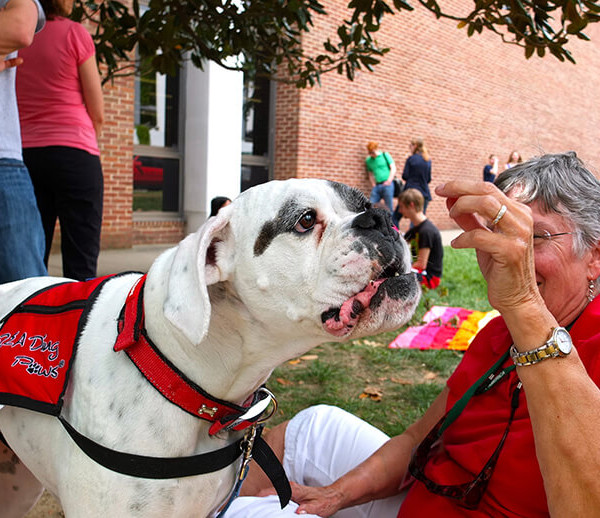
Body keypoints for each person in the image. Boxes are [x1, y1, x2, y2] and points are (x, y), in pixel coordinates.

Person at [223, 151, 600, 517]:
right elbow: (416, 440)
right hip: (429, 499)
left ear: (595, 257)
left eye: (534, 237)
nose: (509, 257)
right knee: (311, 430)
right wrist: (336, 495)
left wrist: (524, 308)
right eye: (502, 235)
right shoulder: (499, 335)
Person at [16, 0, 104, 281]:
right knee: (81, 260)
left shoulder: (16, 37)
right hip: (75, 154)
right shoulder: (74, 33)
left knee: (31, 256)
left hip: (26, 157)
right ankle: (78, 321)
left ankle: (31, 322)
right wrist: (91, 141)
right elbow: (97, 110)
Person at [0, 0, 47, 283]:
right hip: (12, 157)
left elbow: (19, 27)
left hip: (7, 154)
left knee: (28, 292)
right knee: (29, 295)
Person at [398, 188, 443, 289]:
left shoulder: (426, 231)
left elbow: (421, 265)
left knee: (395, 279)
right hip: (421, 272)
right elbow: (401, 241)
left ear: (411, 205)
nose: (400, 211)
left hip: (429, 278)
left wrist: (400, 269)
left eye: (401, 207)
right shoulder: (416, 228)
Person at [402, 138, 432, 214]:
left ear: (415, 146)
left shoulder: (411, 159)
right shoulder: (427, 160)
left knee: (396, 216)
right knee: (420, 217)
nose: (410, 148)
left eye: (410, 146)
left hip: (410, 192)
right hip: (423, 192)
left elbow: (405, 176)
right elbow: (428, 179)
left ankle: (392, 226)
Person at [365, 141, 396, 214]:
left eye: (372, 152)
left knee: (389, 208)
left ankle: (391, 225)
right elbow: (370, 174)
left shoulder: (385, 155)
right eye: (370, 153)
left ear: (376, 149)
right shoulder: (369, 161)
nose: (371, 154)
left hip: (387, 185)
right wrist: (373, 184)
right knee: (371, 206)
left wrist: (389, 180)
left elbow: (393, 168)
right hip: (377, 186)